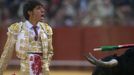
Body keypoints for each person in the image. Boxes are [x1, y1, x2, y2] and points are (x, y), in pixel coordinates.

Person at [0, 0, 53, 75]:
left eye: (42, 8)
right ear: (30, 12)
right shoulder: (17, 28)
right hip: (26, 71)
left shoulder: (47, 29)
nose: (42, 10)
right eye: (38, 8)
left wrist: (45, 66)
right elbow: (7, 53)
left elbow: (50, 52)